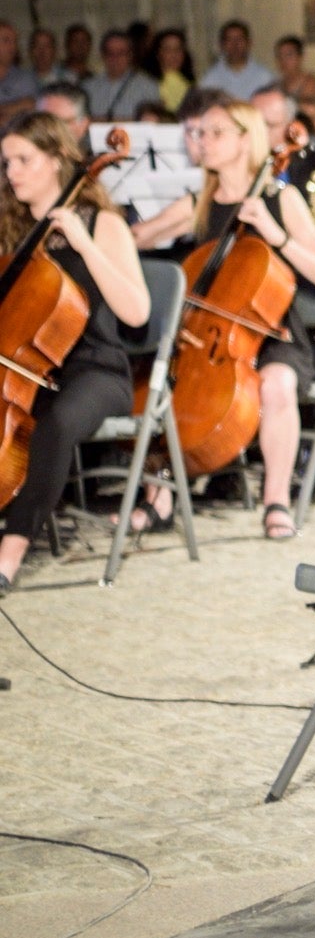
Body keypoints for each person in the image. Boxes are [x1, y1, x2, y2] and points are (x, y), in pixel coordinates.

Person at [130, 100, 315, 540]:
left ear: (247, 139)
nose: (201, 141)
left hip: (275, 328)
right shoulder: (200, 202)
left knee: (277, 384)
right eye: (199, 133)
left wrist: (274, 230)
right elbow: (135, 237)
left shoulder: (281, 198)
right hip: (206, 333)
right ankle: (160, 497)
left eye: (215, 133)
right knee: (161, 381)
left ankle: (276, 499)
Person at [0, 113, 153, 588]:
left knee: (56, 424)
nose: (12, 173)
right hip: (28, 368)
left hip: (96, 370)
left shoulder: (103, 223)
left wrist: (86, 246)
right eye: (6, 163)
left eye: (24, 160)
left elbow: (137, 312)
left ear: (57, 160)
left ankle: (12, 547)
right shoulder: (11, 224)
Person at [82, 31, 158, 121]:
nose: (115, 58)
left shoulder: (148, 87)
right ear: (103, 55)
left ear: (130, 55)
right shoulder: (87, 87)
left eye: (121, 53)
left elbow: (151, 123)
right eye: (110, 53)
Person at [198, 21, 275, 98]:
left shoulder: (264, 77)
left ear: (249, 43)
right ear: (221, 45)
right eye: (229, 40)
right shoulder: (210, 78)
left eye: (239, 39)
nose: (235, 45)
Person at [146, 29, 194, 114]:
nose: (174, 54)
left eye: (178, 49)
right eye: (168, 49)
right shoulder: (149, 82)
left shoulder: (186, 80)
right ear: (158, 53)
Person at [35, 84, 91, 149]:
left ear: (83, 125)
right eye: (42, 121)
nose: (48, 129)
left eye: (58, 123)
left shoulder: (98, 158)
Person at [0, 22, 38, 117]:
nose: (12, 47)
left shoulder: (25, 79)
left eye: (15, 41)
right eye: (6, 40)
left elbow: (31, 109)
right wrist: (16, 106)